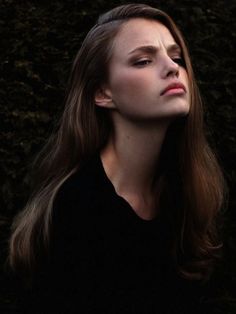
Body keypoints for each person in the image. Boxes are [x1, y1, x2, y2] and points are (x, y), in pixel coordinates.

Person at [9, 3, 226, 313]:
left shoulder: (186, 194)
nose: (172, 67)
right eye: (143, 60)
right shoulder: (76, 212)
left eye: (176, 57)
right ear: (103, 93)